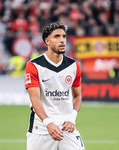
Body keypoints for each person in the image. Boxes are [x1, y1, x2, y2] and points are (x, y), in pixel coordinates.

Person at [25, 22, 85, 150]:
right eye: (57, 36)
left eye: (64, 36)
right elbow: (34, 98)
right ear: (47, 41)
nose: (62, 40)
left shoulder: (73, 65)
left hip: (67, 128)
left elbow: (78, 96)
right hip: (41, 129)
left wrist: (72, 119)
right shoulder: (34, 65)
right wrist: (48, 123)